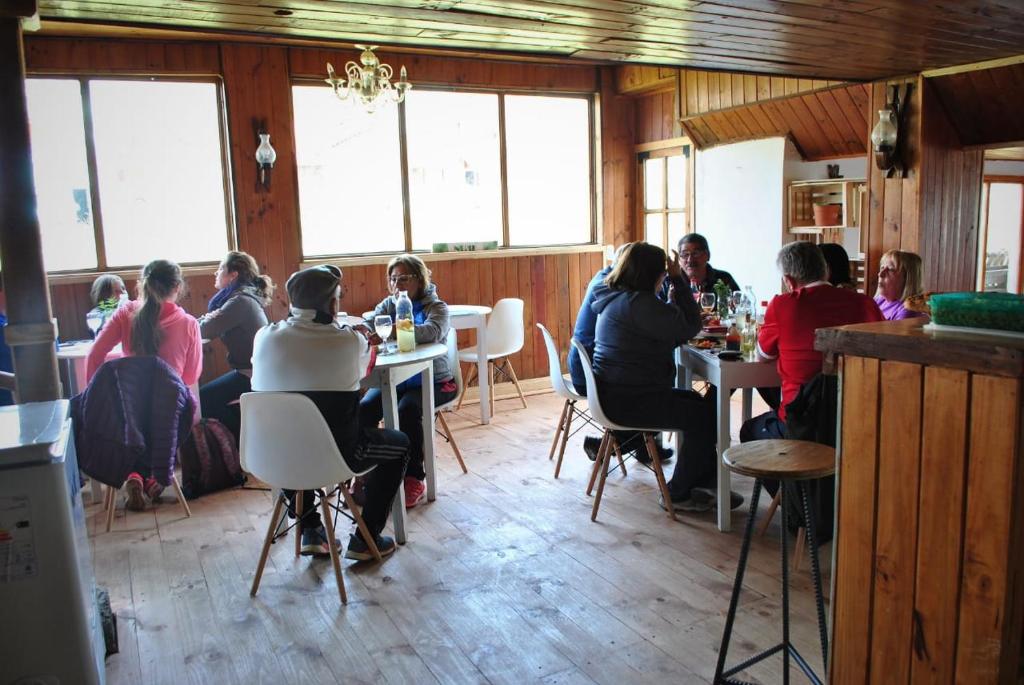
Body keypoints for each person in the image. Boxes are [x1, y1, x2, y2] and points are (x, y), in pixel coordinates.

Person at [251, 264, 408, 561]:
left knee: (292, 435)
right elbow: (365, 369)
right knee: (399, 445)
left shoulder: (264, 337)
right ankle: (366, 539)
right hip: (338, 457)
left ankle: (312, 530)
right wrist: (362, 339)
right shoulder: (348, 341)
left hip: (271, 457)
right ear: (333, 303)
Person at [591, 242, 730, 513]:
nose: (665, 277)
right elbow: (690, 325)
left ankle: (701, 481)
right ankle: (679, 493)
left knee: (703, 404)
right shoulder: (638, 304)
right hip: (632, 401)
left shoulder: (618, 296)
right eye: (663, 274)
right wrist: (679, 279)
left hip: (618, 393)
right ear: (651, 274)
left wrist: (670, 298)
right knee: (704, 416)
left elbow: (666, 322)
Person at [86, 259, 203, 509]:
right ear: (177, 286)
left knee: (132, 417)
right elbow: (191, 376)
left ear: (142, 285)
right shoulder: (189, 324)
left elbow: (95, 354)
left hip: (129, 409)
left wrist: (94, 393)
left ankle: (135, 475)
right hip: (168, 413)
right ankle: (153, 477)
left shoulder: (124, 313)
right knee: (176, 410)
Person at [741, 241, 883, 444]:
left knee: (749, 430)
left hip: (800, 422)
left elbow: (762, 355)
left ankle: (787, 474)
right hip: (853, 418)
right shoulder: (865, 304)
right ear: (826, 270)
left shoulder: (782, 305)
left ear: (788, 281)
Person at [359, 254, 454, 509]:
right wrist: (369, 331)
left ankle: (414, 478)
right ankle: (366, 471)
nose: (397, 284)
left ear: (419, 280)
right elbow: (369, 323)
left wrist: (391, 330)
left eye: (403, 278)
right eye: (393, 279)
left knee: (408, 411)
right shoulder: (388, 305)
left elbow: (433, 331)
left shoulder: (437, 306)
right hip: (395, 380)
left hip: (433, 380)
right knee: (364, 410)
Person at [568, 245, 672, 465]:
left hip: (592, 371)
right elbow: (663, 322)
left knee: (648, 374)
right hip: (593, 379)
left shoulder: (605, 282)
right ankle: (632, 445)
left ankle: (637, 446)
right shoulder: (616, 292)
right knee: (653, 379)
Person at [197, 251, 275, 443]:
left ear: (233, 275)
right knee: (207, 398)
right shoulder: (242, 297)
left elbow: (203, 330)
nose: (216, 273)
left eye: (220, 269)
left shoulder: (239, 301)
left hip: (253, 375)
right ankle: (248, 440)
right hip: (254, 371)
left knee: (202, 401)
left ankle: (247, 443)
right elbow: (207, 322)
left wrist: (192, 324)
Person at [673, 233, 740, 296]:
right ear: (679, 259)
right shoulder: (670, 282)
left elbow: (740, 304)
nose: (690, 260)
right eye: (685, 254)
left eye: (696, 253)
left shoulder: (724, 279)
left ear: (707, 255)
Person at [874, 249, 927, 321]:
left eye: (890, 269)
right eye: (882, 268)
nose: (880, 274)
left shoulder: (908, 310)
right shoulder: (879, 300)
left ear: (908, 278)